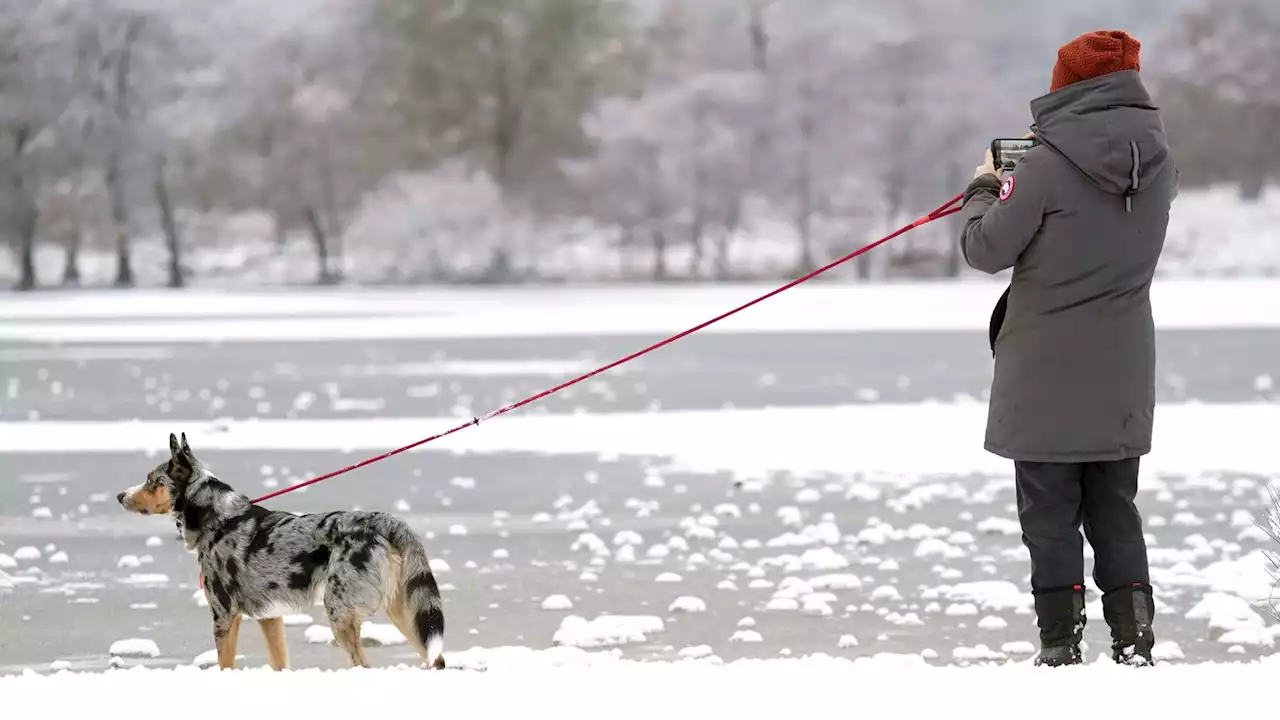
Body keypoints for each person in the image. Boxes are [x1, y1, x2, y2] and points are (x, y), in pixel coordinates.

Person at [957, 30, 1178, 667]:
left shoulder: (1043, 165)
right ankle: (1134, 644)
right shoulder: (1161, 160)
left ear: (1068, 84)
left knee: (1049, 512)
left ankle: (1060, 647)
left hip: (1044, 366)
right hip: (1124, 364)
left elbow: (984, 249)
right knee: (1116, 506)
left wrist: (984, 187)